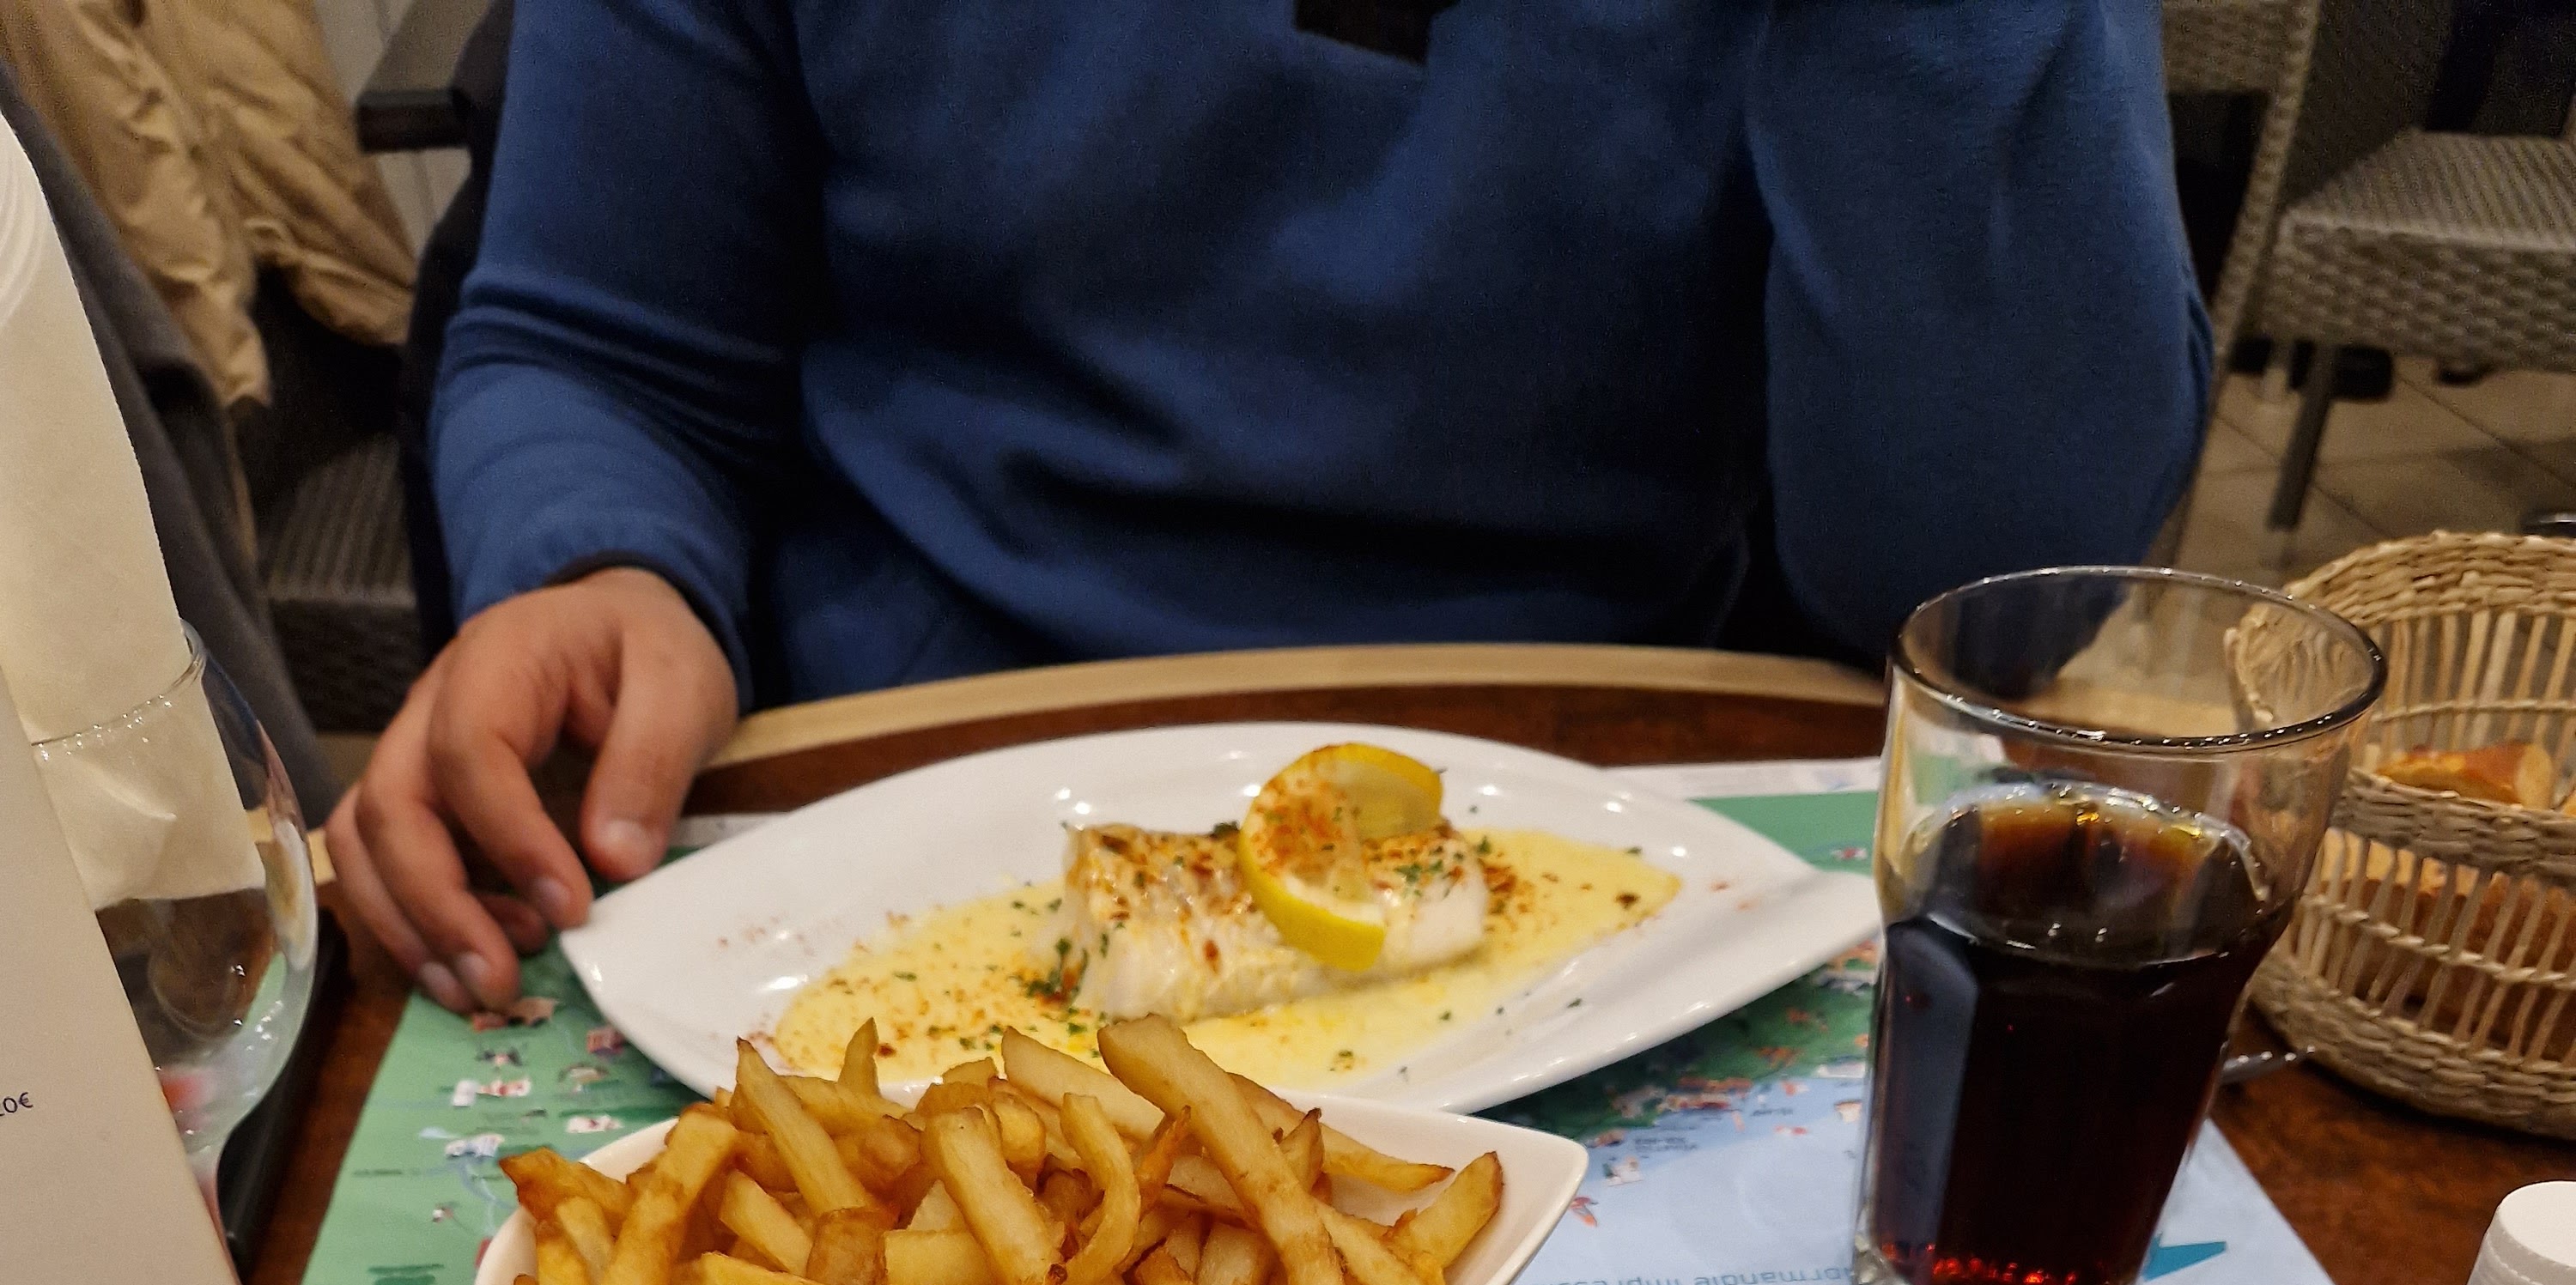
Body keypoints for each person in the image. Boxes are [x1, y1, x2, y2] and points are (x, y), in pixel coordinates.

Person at [328, 0, 2208, 1010]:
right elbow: (597, 343)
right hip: (894, 809)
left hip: (1598, 834)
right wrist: (597, 559)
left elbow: (1995, 593)